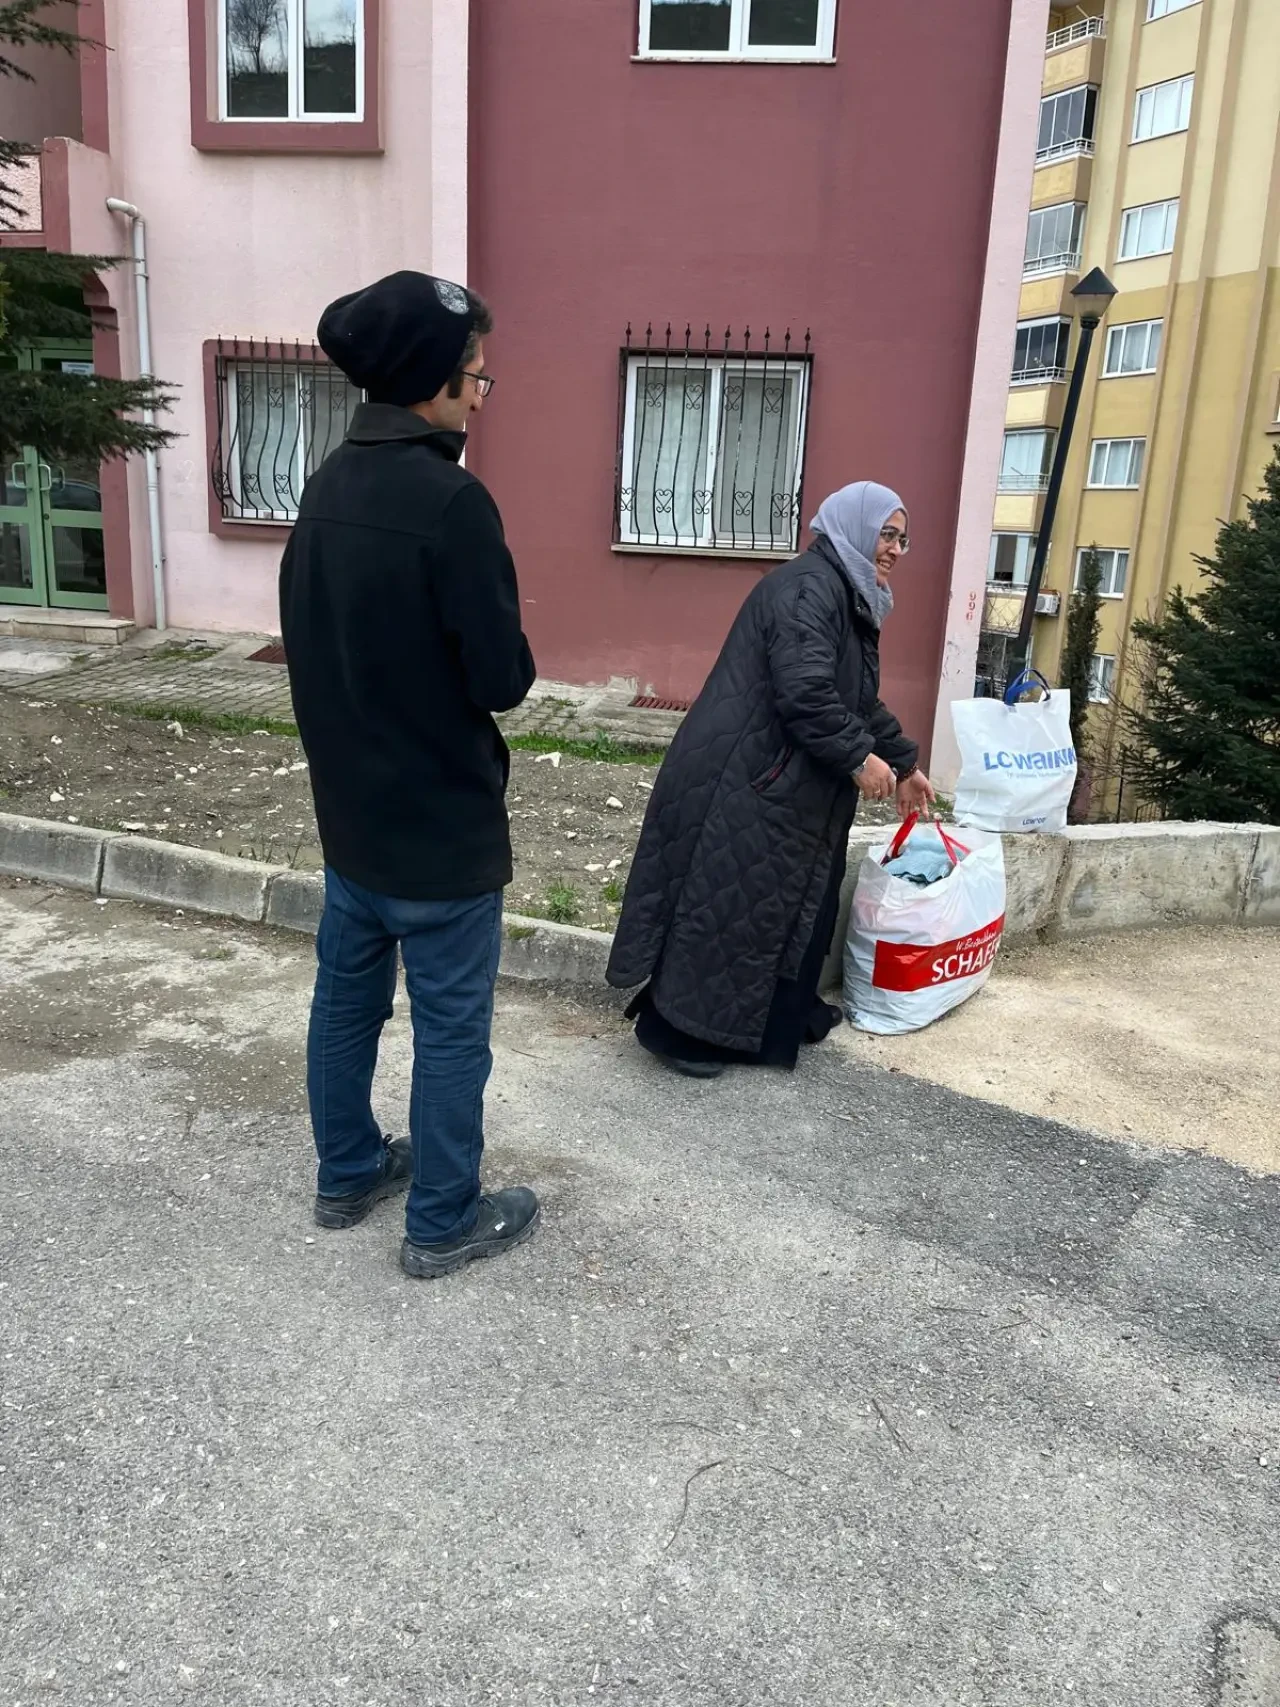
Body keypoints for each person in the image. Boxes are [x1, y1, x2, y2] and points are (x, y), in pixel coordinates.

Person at [279, 271, 542, 1279]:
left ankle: (346, 1171)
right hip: (440, 837)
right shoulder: (452, 504)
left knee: (344, 1005)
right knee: (448, 1033)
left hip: (351, 822)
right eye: (476, 374)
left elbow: (302, 637)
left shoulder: (324, 485)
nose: (481, 393)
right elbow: (501, 678)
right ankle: (441, 1217)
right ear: (434, 383)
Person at [606, 480, 935, 1078]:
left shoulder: (844, 591)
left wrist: (905, 763)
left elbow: (853, 698)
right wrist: (862, 759)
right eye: (886, 533)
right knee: (728, 903)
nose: (893, 548)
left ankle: (776, 1020)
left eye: (902, 538)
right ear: (853, 527)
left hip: (784, 781)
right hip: (751, 777)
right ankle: (680, 1035)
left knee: (782, 906)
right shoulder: (814, 589)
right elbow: (805, 693)